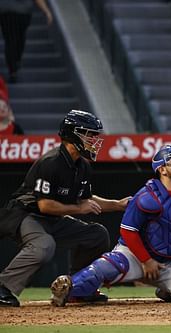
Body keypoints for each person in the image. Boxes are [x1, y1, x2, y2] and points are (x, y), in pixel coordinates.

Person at [50, 144, 171, 306]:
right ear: (162, 169)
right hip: (132, 256)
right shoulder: (146, 196)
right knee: (100, 271)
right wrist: (146, 260)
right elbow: (128, 232)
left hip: (169, 261)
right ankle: (69, 287)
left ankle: (167, 290)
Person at [0, 110, 130, 307]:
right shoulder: (51, 162)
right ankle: (3, 287)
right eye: (89, 134)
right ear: (72, 134)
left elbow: (86, 199)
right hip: (26, 215)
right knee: (44, 245)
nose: (94, 140)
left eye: (95, 135)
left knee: (96, 234)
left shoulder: (82, 166)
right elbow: (44, 205)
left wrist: (118, 204)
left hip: (53, 219)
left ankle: (79, 287)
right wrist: (79, 209)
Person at [0, 0, 53, 83]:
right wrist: (46, 10)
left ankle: (13, 67)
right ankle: (15, 64)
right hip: (22, 10)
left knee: (10, 38)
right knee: (18, 37)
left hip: (6, 9)